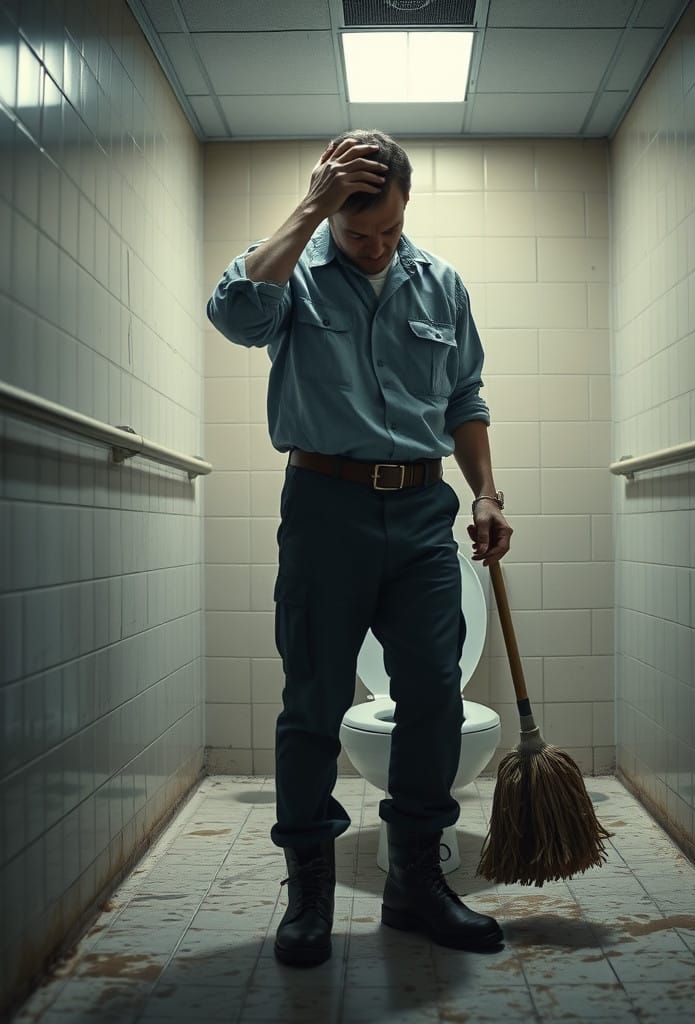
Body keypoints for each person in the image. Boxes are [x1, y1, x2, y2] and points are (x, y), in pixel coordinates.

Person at [206, 129, 513, 968]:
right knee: (311, 702)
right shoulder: (292, 271)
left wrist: (484, 491)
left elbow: (465, 398)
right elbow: (232, 315)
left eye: (386, 231)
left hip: (421, 512)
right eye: (356, 232)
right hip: (324, 505)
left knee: (434, 698)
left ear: (406, 208)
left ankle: (416, 881)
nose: (373, 247)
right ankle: (307, 891)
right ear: (331, 214)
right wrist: (309, 210)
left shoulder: (441, 284)